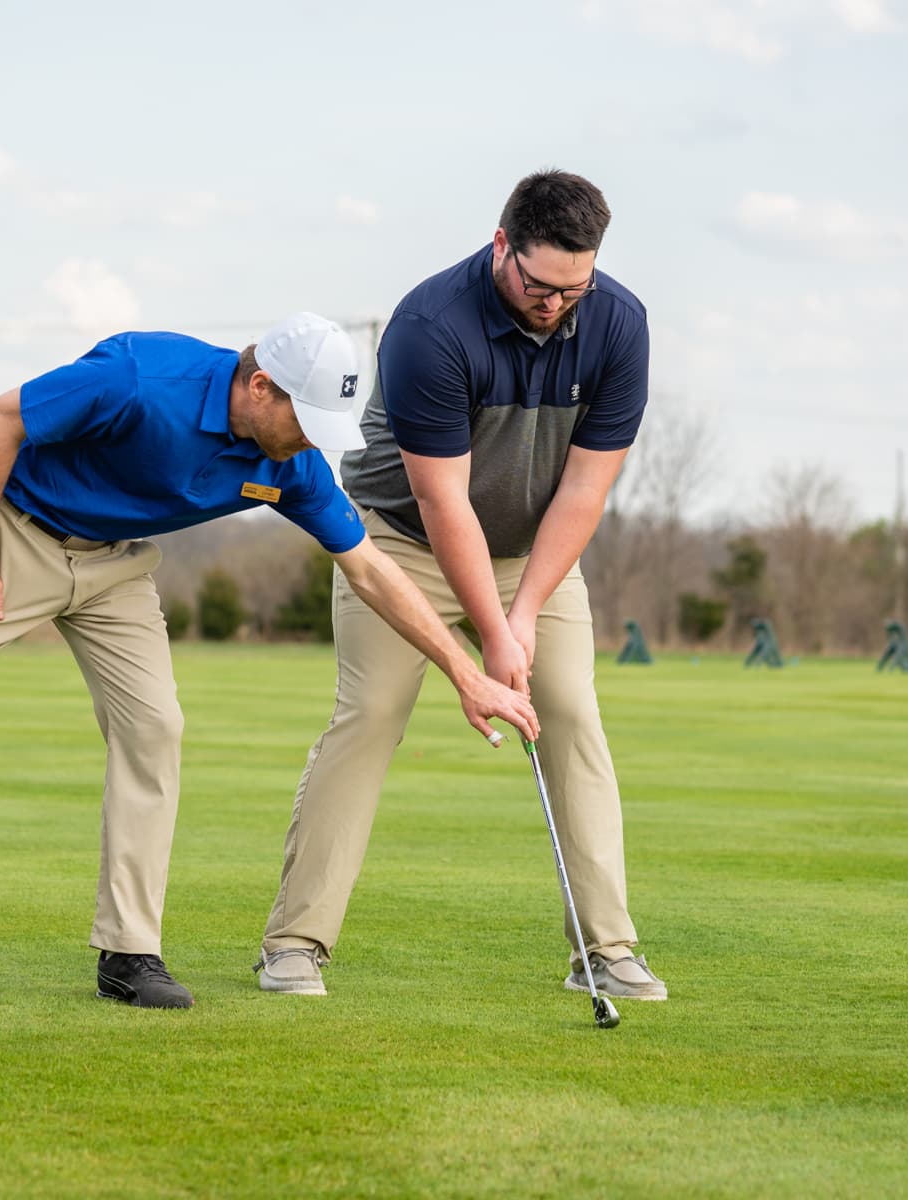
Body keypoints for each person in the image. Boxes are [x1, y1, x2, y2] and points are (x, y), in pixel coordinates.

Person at [0, 312, 538, 1011]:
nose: (311, 441)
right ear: (261, 386)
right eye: (305, 420)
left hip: (115, 570)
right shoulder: (143, 379)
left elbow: (369, 568)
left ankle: (129, 951)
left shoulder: (293, 464)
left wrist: (464, 673)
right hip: (10, 537)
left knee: (155, 730)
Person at [257, 171, 667, 1002]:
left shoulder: (620, 324)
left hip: (533, 559)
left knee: (572, 716)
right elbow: (444, 505)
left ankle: (606, 951)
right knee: (369, 716)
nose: (555, 304)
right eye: (539, 284)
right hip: (400, 542)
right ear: (501, 247)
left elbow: (584, 492)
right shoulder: (429, 327)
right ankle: (294, 943)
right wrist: (491, 637)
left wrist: (519, 616)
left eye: (574, 289)